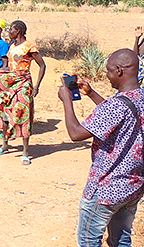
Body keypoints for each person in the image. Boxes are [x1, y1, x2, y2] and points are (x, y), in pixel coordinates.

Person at [58, 49, 144, 247]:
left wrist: (67, 101)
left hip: (106, 189)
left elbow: (76, 133)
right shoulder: (139, 96)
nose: (106, 74)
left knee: (88, 241)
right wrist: (91, 93)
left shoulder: (115, 106)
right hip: (133, 185)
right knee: (121, 240)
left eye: (108, 70)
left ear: (119, 70)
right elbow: (121, 115)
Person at [0, 20, 46, 165]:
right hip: (10, 84)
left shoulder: (29, 47)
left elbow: (42, 65)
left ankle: (26, 152)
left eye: (11, 30)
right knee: (6, 114)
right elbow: (10, 67)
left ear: (18, 31)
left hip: (24, 85)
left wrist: (37, 86)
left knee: (24, 115)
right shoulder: (12, 46)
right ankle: (5, 144)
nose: (9, 32)